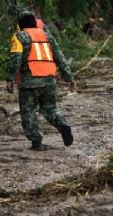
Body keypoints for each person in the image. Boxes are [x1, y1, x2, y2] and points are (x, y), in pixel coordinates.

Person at [6, 12, 76, 151]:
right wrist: (69, 78)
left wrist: (10, 78)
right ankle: (62, 124)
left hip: (29, 80)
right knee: (50, 109)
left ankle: (36, 142)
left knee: (28, 112)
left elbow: (16, 59)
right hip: (49, 79)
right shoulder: (47, 36)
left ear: (20, 25)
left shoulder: (19, 37)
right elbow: (60, 57)